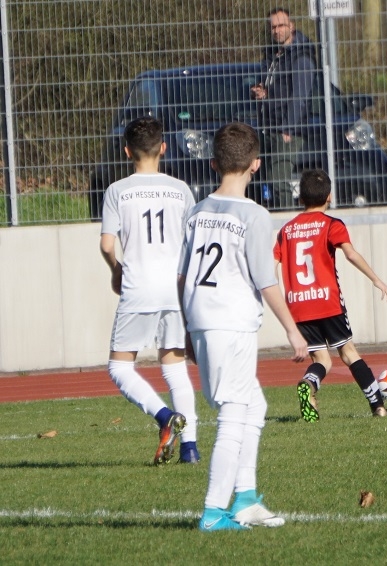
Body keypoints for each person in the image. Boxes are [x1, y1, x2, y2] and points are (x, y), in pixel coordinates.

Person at [180, 122, 308, 531]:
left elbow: (182, 276)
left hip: (202, 320)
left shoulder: (196, 211)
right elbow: (265, 280)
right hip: (231, 323)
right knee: (234, 414)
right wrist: (292, 329)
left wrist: (186, 327)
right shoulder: (254, 214)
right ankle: (214, 512)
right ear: (256, 164)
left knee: (255, 405)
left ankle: (246, 499)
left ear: (214, 163)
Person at [99, 117, 200, 465]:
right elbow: (192, 242)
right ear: (163, 148)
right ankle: (190, 448)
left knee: (120, 367)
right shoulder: (181, 189)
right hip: (175, 288)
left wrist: (116, 270)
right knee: (175, 367)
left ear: (127, 151)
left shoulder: (118, 190)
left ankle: (163, 416)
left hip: (139, 287)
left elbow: (107, 244)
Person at [273, 169, 387, 421]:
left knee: (322, 359)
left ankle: (309, 382)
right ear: (329, 196)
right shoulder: (331, 225)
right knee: (349, 353)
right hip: (327, 302)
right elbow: (351, 254)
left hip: (299, 306)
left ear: (300, 198)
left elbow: (270, 266)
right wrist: (376, 279)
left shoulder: (286, 231)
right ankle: (379, 406)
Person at [250, 7, 315, 209]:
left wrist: (289, 127)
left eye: (281, 26)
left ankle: (287, 217)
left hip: (287, 130)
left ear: (291, 26)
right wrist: (261, 92)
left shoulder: (301, 57)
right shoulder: (273, 55)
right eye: (273, 27)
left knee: (279, 179)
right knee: (266, 178)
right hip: (269, 126)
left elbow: (299, 96)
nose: (277, 31)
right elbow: (277, 90)